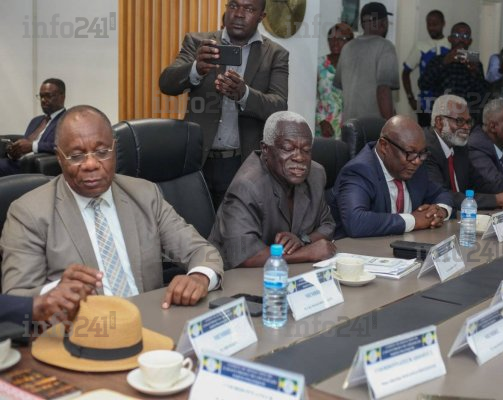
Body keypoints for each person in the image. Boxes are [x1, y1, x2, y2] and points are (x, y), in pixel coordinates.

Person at [0, 105, 224, 310]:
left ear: (114, 149)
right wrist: (54, 292)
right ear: (59, 158)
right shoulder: (28, 212)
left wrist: (199, 277)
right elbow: (17, 297)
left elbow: (201, 251)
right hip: (82, 330)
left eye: (102, 152)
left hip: (151, 322)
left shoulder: (145, 194)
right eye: (76, 156)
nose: (91, 164)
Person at [159, 0, 289, 209]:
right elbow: (166, 83)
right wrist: (196, 69)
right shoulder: (199, 43)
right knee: (193, 224)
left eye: (249, 9)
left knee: (235, 226)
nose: (239, 14)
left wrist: (244, 94)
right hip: (197, 161)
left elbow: (279, 107)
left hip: (242, 164)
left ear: (261, 16)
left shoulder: (275, 54)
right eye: (234, 6)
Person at [209, 111, 336, 269]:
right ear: (265, 149)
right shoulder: (246, 186)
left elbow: (327, 225)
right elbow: (245, 256)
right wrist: (307, 252)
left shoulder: (315, 174)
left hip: (288, 272)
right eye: (288, 148)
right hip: (236, 275)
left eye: (306, 150)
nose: (299, 157)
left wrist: (302, 240)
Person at [330, 115, 453, 238]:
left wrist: (440, 211)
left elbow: (442, 193)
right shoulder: (359, 171)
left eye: (421, 153)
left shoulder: (413, 163)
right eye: (410, 152)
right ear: (384, 146)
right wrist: (414, 220)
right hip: (359, 247)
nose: (417, 161)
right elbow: (356, 222)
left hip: (404, 242)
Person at [424, 95, 503, 209]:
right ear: (439, 122)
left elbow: (480, 184)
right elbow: (442, 195)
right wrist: (496, 200)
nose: (467, 127)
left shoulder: (460, 147)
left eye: (468, 122)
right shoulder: (426, 149)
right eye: (460, 121)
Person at [334, 2, 399, 121]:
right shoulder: (386, 47)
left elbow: (340, 88)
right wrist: (391, 125)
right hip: (374, 125)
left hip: (350, 125)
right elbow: (383, 91)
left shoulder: (347, 47)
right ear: (383, 23)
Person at [419, 22, 489, 124]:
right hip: (442, 117)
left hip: (468, 118)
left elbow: (483, 94)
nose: (461, 39)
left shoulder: (475, 63)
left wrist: (474, 72)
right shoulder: (438, 60)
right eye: (456, 35)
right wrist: (444, 63)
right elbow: (423, 84)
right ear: (450, 39)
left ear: (470, 41)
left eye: (465, 36)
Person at [0, 78, 66, 176]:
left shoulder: (67, 120)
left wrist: (33, 146)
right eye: (41, 96)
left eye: (48, 96)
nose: (43, 100)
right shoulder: (35, 120)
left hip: (34, 167)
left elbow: (63, 146)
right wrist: (14, 151)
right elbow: (25, 144)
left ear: (62, 97)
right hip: (18, 162)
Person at [402, 10, 450, 127]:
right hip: (425, 106)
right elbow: (405, 73)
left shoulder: (450, 45)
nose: (431, 28)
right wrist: (410, 98)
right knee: (425, 136)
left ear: (443, 24)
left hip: (448, 106)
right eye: (429, 24)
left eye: (435, 24)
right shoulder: (421, 46)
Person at [315, 23, 354, 139]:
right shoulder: (319, 64)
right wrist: (321, 120)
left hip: (349, 129)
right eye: (331, 39)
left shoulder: (355, 67)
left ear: (350, 42)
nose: (335, 43)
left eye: (341, 39)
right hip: (324, 129)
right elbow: (309, 98)